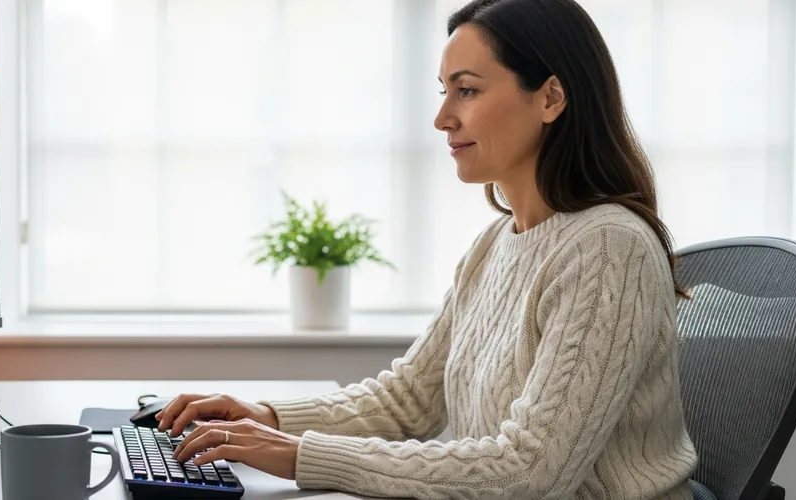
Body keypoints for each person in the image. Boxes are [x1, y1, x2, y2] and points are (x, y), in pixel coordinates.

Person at [157, 0, 699, 497]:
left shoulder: (607, 248)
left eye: (467, 90)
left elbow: (531, 471)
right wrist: (270, 418)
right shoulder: (496, 244)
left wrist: (304, 456)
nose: (443, 118)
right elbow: (409, 400)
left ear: (551, 98)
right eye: (444, 91)